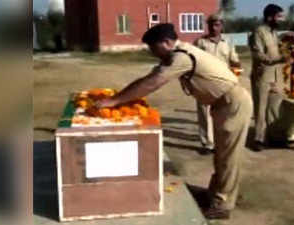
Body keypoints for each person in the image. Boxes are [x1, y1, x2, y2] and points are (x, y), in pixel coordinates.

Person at [95, 23, 252, 219]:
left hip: (232, 103)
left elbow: (153, 83)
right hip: (223, 104)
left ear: (167, 42)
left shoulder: (181, 57)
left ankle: (222, 205)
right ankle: (214, 194)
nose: (152, 53)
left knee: (229, 157)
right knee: (221, 154)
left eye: (154, 48)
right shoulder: (176, 54)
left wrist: (115, 101)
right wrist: (118, 97)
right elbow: (148, 78)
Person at [194, 13, 241, 154]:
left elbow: (234, 59)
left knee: (224, 113)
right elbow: (192, 60)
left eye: (217, 25)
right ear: (207, 26)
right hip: (204, 82)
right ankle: (208, 144)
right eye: (211, 25)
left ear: (222, 26)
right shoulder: (200, 43)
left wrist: (237, 66)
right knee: (205, 113)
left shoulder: (228, 42)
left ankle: (221, 141)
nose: (214, 28)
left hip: (223, 82)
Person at [248, 4, 290, 151]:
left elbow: (277, 47)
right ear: (269, 17)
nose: (281, 19)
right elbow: (258, 54)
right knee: (261, 109)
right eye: (279, 16)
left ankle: (275, 138)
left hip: (276, 76)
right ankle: (259, 139)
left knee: (275, 108)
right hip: (262, 76)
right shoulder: (259, 32)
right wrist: (278, 60)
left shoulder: (274, 33)